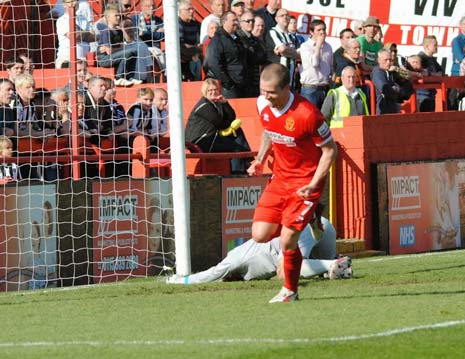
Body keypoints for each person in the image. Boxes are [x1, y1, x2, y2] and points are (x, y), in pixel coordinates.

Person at [247, 63, 338, 303]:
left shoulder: (308, 114)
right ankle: (309, 217)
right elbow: (268, 130)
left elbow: (330, 151)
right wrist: (260, 159)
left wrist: (314, 183)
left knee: (288, 239)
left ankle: (290, 291)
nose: (266, 97)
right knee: (259, 235)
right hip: (280, 178)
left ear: (287, 88)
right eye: (263, 91)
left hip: (306, 181)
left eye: (272, 93)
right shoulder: (262, 104)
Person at [167, 214, 352, 284]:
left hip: (299, 233)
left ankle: (332, 264)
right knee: (316, 270)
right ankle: (334, 265)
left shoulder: (234, 260)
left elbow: (212, 274)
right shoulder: (243, 254)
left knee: (287, 268)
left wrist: (181, 281)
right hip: (324, 227)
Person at [185, 78, 252, 174]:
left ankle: (247, 161)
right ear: (205, 92)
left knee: (237, 131)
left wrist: (225, 103)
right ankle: (238, 174)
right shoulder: (204, 106)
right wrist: (227, 121)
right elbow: (222, 124)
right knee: (236, 148)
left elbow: (232, 117)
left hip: (211, 137)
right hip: (200, 142)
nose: (213, 92)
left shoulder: (216, 103)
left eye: (215, 89)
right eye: (210, 90)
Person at [96, 4, 148, 86]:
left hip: (115, 56)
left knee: (133, 52)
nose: (118, 18)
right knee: (128, 52)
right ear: (108, 17)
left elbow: (124, 45)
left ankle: (130, 76)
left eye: (119, 15)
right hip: (104, 59)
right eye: (116, 16)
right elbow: (109, 52)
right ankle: (118, 78)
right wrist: (119, 48)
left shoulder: (119, 31)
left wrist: (117, 47)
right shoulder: (106, 31)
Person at [205, 11, 248, 99]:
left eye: (237, 20)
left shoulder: (237, 38)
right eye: (233, 20)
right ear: (224, 22)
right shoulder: (217, 41)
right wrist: (227, 83)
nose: (236, 23)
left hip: (242, 84)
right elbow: (213, 64)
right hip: (229, 88)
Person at [298, 19, 332, 108]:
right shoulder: (305, 46)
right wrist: (318, 46)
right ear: (311, 32)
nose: (322, 32)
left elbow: (331, 66)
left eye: (324, 29)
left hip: (324, 87)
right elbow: (314, 63)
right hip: (310, 89)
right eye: (319, 30)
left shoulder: (328, 46)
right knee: (310, 117)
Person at [265, 8, 300, 91]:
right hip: (277, 80)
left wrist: (287, 52)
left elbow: (299, 54)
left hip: (290, 80)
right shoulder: (273, 32)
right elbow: (282, 49)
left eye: (287, 15)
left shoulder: (292, 36)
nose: (285, 17)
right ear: (276, 19)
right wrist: (292, 53)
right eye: (282, 15)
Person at [371, 49, 414, 115]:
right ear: (378, 60)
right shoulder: (377, 72)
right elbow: (385, 89)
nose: (388, 62)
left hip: (393, 108)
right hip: (381, 111)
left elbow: (409, 88)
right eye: (386, 60)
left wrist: (398, 90)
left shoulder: (391, 72)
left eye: (390, 60)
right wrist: (397, 91)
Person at [55, 0, 95, 68]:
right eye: (70, 1)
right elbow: (74, 37)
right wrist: (87, 33)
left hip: (83, 59)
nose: (73, 4)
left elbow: (93, 37)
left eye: (74, 1)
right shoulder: (62, 20)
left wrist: (81, 34)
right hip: (66, 60)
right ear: (64, 5)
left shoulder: (83, 19)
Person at [237, 11, 267, 97]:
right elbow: (250, 57)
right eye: (248, 21)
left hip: (255, 81)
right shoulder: (238, 38)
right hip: (244, 81)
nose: (251, 23)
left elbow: (262, 58)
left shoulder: (255, 39)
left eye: (252, 21)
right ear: (241, 23)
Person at [130, 0, 165, 74]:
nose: (152, 8)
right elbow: (135, 36)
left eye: (153, 6)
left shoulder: (159, 20)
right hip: (140, 48)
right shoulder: (134, 20)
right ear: (142, 7)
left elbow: (164, 37)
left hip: (155, 49)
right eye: (148, 6)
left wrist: (145, 33)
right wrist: (155, 33)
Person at [417, 35, 443, 112]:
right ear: (427, 46)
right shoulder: (420, 58)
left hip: (431, 95)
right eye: (435, 45)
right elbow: (423, 73)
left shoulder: (432, 59)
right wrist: (434, 75)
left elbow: (441, 72)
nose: (437, 47)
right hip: (422, 96)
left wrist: (434, 74)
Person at [178, 0, 202, 81]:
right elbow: (181, 45)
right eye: (188, 9)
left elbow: (198, 42)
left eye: (192, 9)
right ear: (180, 11)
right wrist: (195, 49)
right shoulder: (178, 24)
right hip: (181, 57)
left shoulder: (195, 24)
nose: (191, 11)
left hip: (193, 54)